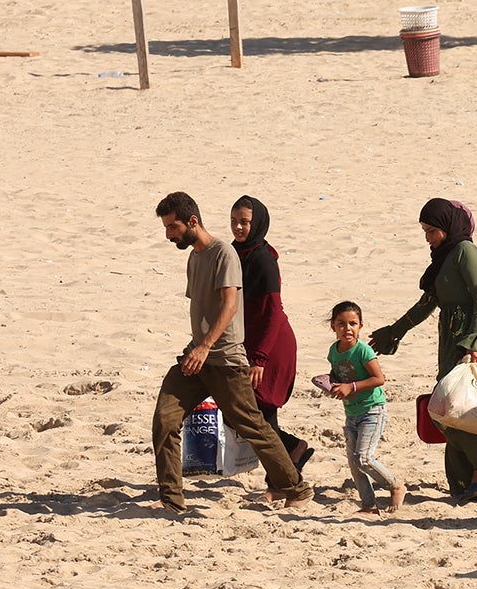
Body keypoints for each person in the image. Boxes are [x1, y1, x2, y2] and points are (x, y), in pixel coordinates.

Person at [151, 191, 312, 514]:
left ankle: (296, 487)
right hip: (196, 359)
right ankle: (171, 500)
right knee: (165, 420)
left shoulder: (224, 254)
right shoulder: (194, 258)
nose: (169, 235)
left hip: (225, 360)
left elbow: (230, 305)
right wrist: (194, 348)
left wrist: (210, 347)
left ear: (192, 221)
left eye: (173, 228)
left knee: (255, 426)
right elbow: (203, 310)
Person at [369, 198, 477, 504]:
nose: (427, 237)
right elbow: (427, 303)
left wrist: (476, 345)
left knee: (453, 410)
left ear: (448, 228)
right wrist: (393, 332)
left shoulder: (466, 251)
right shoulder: (443, 256)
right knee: (458, 410)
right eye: (424, 231)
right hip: (453, 341)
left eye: (432, 231)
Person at [229, 195, 312, 474]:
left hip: (272, 344)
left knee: (259, 413)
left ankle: (283, 476)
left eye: (245, 222)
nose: (238, 227)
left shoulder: (263, 260)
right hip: (251, 341)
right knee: (251, 413)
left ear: (259, 223)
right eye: (234, 221)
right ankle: (291, 451)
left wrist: (260, 358)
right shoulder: (235, 254)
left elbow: (273, 312)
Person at [324, 301, 406, 515]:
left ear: (360, 326)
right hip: (351, 412)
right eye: (341, 324)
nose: (347, 328)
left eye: (352, 323)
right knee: (353, 462)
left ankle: (395, 486)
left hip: (372, 410)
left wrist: (350, 387)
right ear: (333, 326)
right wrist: (330, 382)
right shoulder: (334, 351)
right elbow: (338, 373)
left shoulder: (363, 351)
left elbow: (379, 379)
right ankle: (368, 505)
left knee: (364, 458)